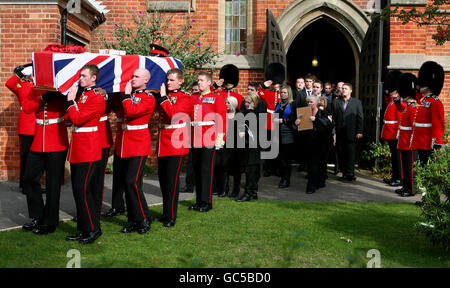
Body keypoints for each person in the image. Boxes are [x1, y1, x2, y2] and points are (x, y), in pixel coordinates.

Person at [16, 72, 68, 235]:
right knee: (30, 179)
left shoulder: (63, 90)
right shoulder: (35, 90)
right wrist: (43, 98)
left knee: (53, 184)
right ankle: (37, 216)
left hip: (57, 141)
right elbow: (27, 108)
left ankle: (51, 221)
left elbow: (70, 112)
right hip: (38, 140)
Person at [65, 64, 105, 244]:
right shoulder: (83, 95)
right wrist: (71, 103)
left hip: (88, 149)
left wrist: (71, 102)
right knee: (77, 191)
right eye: (80, 75)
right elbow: (70, 118)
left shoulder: (97, 98)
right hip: (78, 149)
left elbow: (78, 118)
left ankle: (93, 229)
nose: (80, 78)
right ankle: (83, 229)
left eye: (83, 76)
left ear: (93, 78)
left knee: (83, 190)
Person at [154, 68, 193, 227]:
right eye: (167, 80)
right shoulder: (166, 97)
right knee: (163, 181)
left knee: (172, 181)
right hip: (163, 142)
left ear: (180, 81)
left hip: (176, 143)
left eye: (171, 80)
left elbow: (175, 116)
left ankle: (171, 216)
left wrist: (163, 97)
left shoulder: (185, 98)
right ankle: (165, 213)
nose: (168, 82)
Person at [118, 68, 155, 234]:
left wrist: (126, 96)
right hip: (126, 143)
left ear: (146, 80)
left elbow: (131, 111)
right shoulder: (132, 95)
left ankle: (144, 218)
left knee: (131, 181)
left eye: (137, 76)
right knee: (129, 183)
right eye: (132, 76)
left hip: (139, 143)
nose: (133, 79)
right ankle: (134, 219)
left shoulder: (148, 98)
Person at [189, 71, 227, 212]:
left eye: (202, 80)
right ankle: (199, 201)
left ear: (209, 82)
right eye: (198, 80)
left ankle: (207, 201)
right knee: (197, 170)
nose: (199, 83)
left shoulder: (216, 98)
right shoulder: (193, 97)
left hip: (209, 138)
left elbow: (221, 119)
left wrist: (219, 140)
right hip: (195, 138)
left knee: (206, 171)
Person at [5, 65, 36, 195]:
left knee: (37, 158)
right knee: (26, 156)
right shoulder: (22, 86)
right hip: (27, 125)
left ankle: (34, 184)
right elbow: (10, 83)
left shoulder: (40, 86)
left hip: (40, 124)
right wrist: (18, 75)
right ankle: (25, 184)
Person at [298, 95, 333, 193]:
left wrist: (316, 120)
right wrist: (297, 123)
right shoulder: (304, 113)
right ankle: (314, 185)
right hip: (309, 143)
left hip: (321, 143)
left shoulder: (323, 113)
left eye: (311, 102)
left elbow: (329, 125)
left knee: (320, 164)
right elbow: (302, 129)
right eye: (308, 102)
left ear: (317, 102)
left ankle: (317, 184)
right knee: (312, 165)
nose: (309, 104)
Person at [236, 92, 267, 202]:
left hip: (255, 145)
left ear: (254, 103)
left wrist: (250, 110)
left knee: (252, 170)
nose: (246, 104)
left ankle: (249, 193)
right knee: (251, 169)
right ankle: (252, 192)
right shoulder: (245, 112)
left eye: (249, 102)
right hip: (248, 144)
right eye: (245, 102)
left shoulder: (257, 114)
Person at [332, 83, 363, 182]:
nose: (343, 90)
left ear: (351, 91)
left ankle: (350, 174)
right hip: (340, 132)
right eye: (342, 88)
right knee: (341, 153)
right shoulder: (336, 102)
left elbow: (360, 118)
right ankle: (345, 173)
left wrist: (359, 131)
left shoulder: (356, 102)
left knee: (350, 153)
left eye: (346, 88)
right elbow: (333, 118)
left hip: (352, 132)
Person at [394, 73, 418, 197]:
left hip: (409, 142)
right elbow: (400, 109)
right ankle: (405, 186)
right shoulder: (408, 107)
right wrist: (398, 102)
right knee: (405, 167)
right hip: (404, 141)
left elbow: (415, 127)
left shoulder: (413, 108)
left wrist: (413, 142)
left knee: (410, 168)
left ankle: (411, 189)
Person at [103, 93, 126, 217]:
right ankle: (117, 206)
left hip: (132, 139)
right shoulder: (117, 95)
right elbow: (112, 105)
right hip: (121, 136)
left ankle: (134, 208)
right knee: (118, 175)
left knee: (132, 180)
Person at [215, 96, 241, 198]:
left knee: (236, 169)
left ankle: (235, 190)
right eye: (226, 103)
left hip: (236, 145)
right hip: (224, 144)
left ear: (233, 104)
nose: (226, 105)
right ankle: (224, 190)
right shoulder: (223, 115)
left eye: (228, 103)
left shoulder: (239, 114)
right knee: (223, 167)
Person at [274, 85, 296, 188]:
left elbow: (294, 118)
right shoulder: (278, 104)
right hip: (278, 133)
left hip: (288, 133)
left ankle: (286, 180)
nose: (282, 94)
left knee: (286, 159)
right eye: (281, 92)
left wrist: (283, 120)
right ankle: (282, 177)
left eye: (285, 92)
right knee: (280, 158)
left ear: (289, 93)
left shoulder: (292, 104)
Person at [381, 87, 403, 187]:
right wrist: (386, 93)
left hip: (395, 134)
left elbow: (399, 119)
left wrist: (398, 133)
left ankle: (398, 178)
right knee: (394, 158)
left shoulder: (398, 102)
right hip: (390, 133)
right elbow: (387, 99)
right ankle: (394, 177)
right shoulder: (392, 101)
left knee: (397, 158)